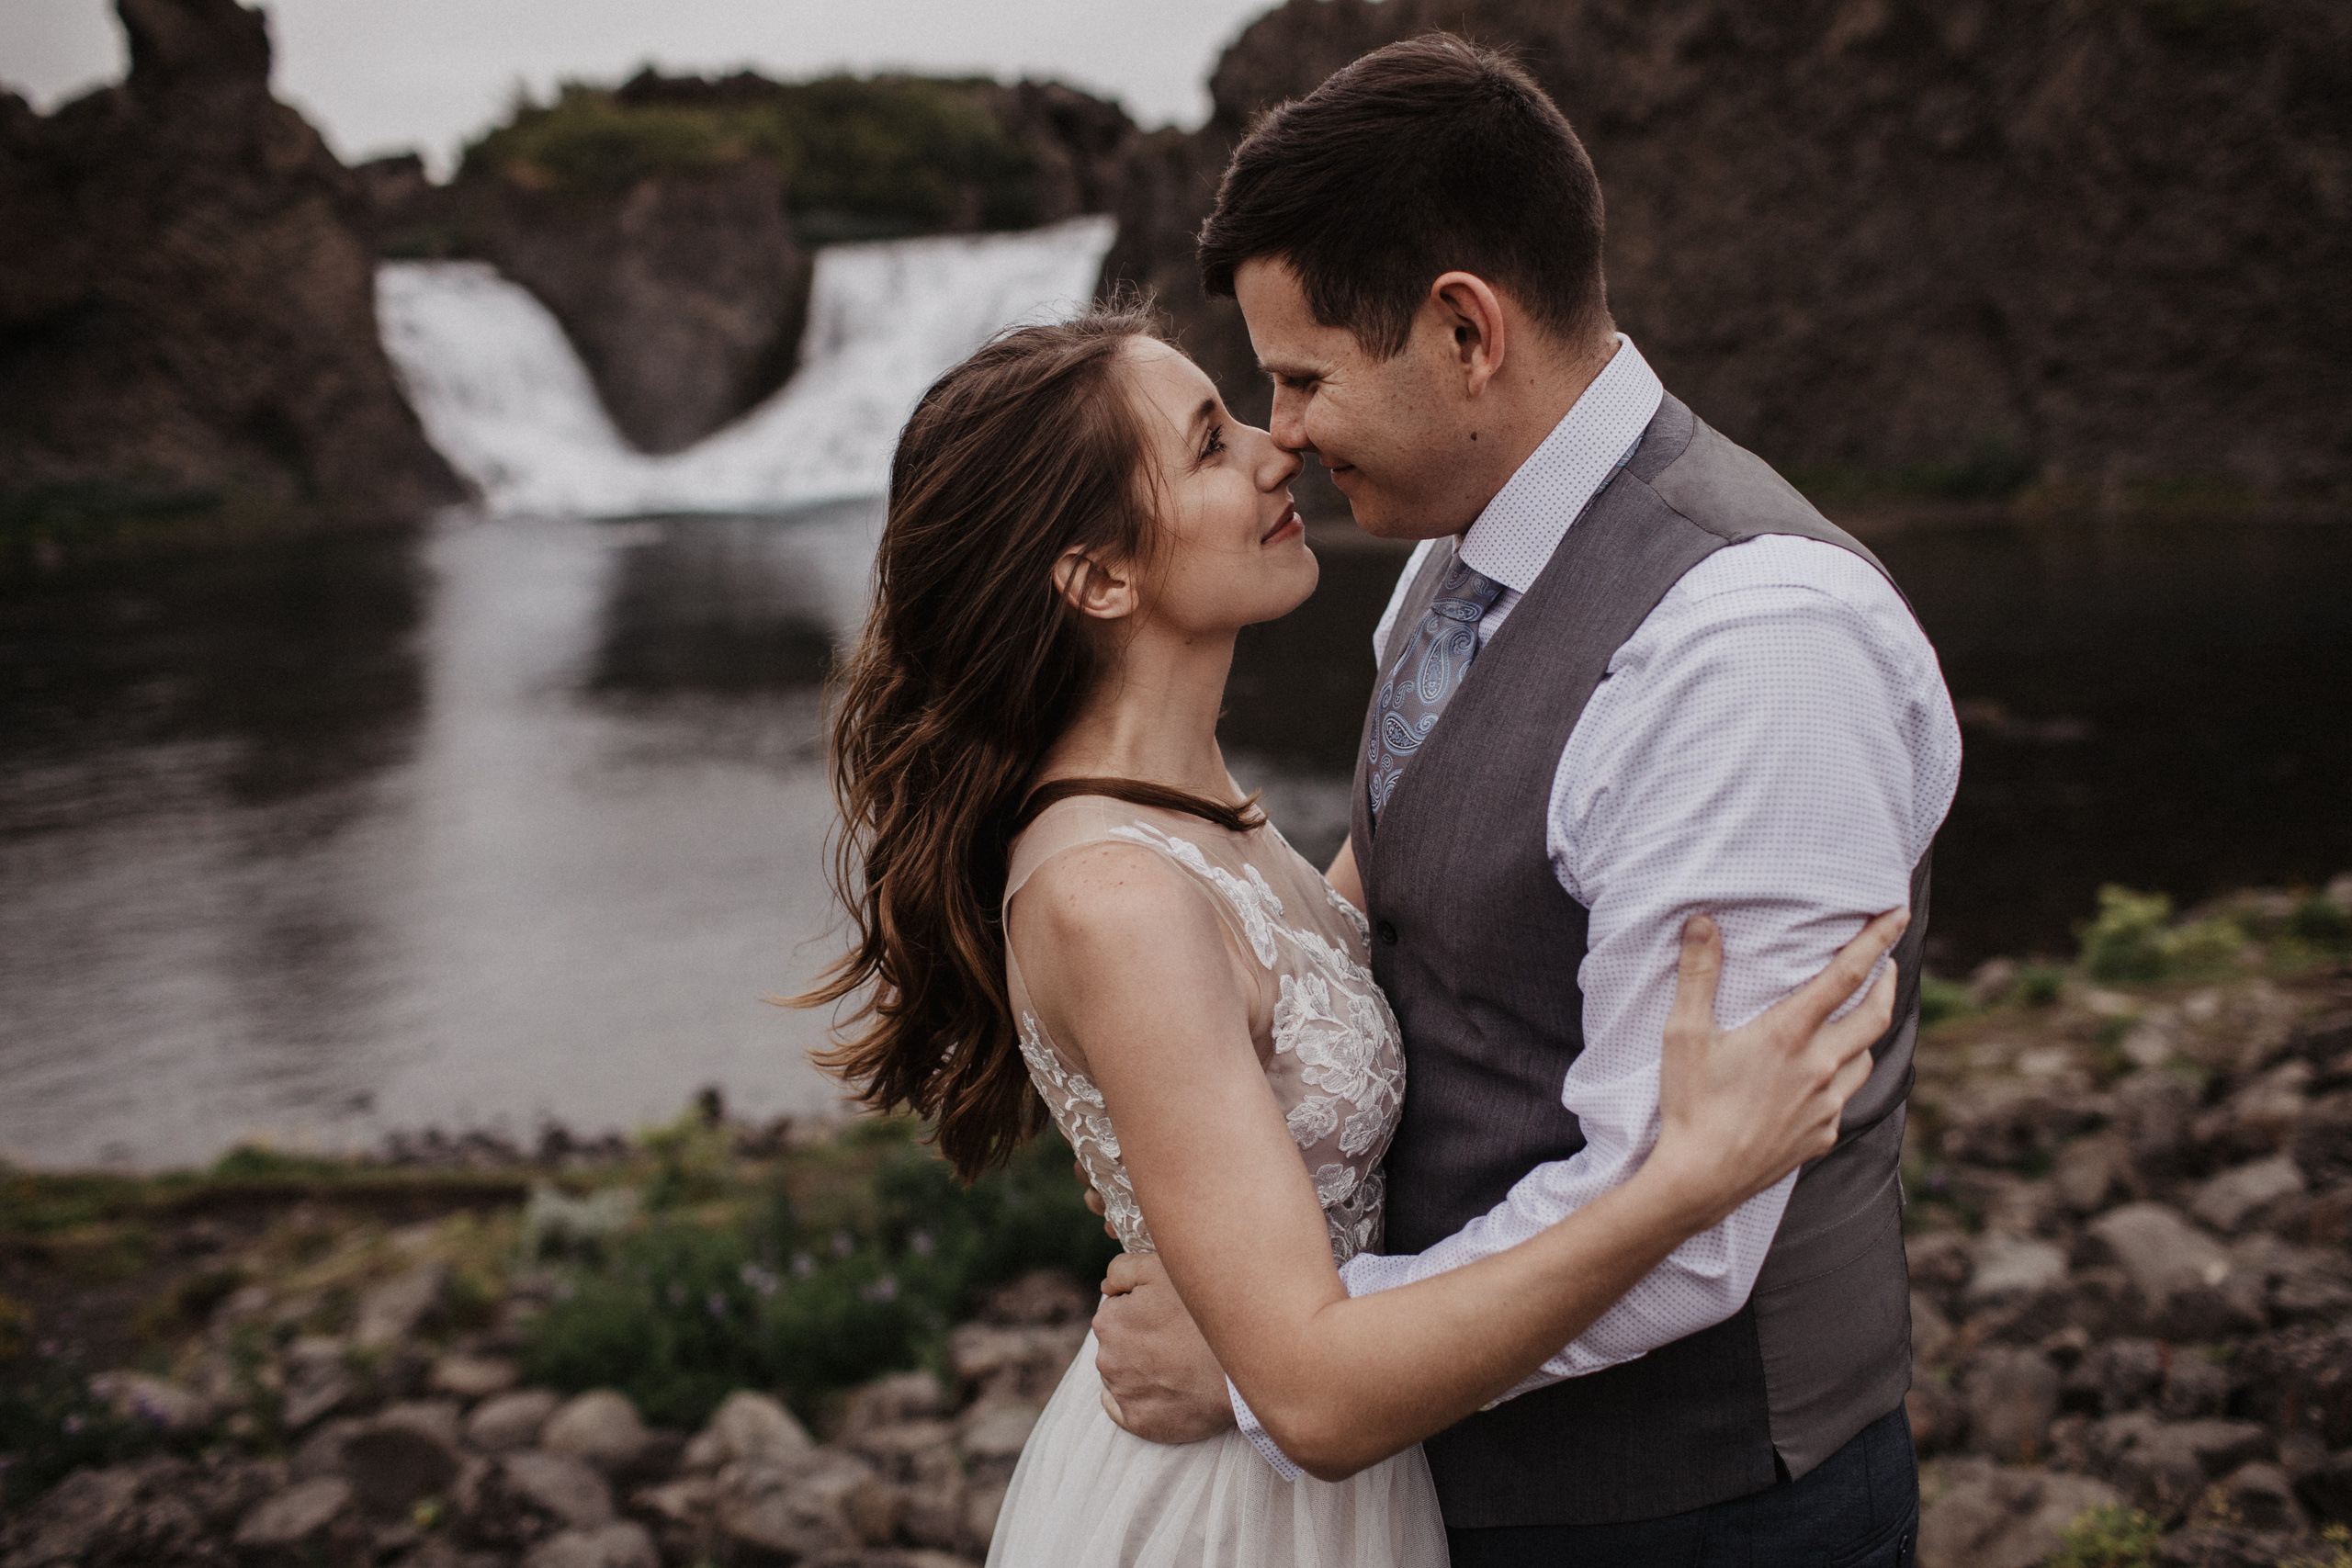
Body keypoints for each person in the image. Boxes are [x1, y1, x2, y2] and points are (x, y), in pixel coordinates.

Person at [791, 297, 1913, 1565]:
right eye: (1212, 444)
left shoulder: (1202, 816)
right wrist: (1685, 1181)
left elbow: (1390, 916)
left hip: (1348, 1467)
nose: (1282, 450)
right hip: (1241, 1509)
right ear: (1100, 577)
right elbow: (1312, 1391)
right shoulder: (1118, 900)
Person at [1085, 33, 1962, 1568]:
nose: (1281, 434)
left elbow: (1685, 1209)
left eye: (1302, 380)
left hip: (1694, 1514)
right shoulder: (1450, 559)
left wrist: (1254, 1357)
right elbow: (1412, 915)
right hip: (1455, 1477)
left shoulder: (1747, 648)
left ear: (1467, 333)